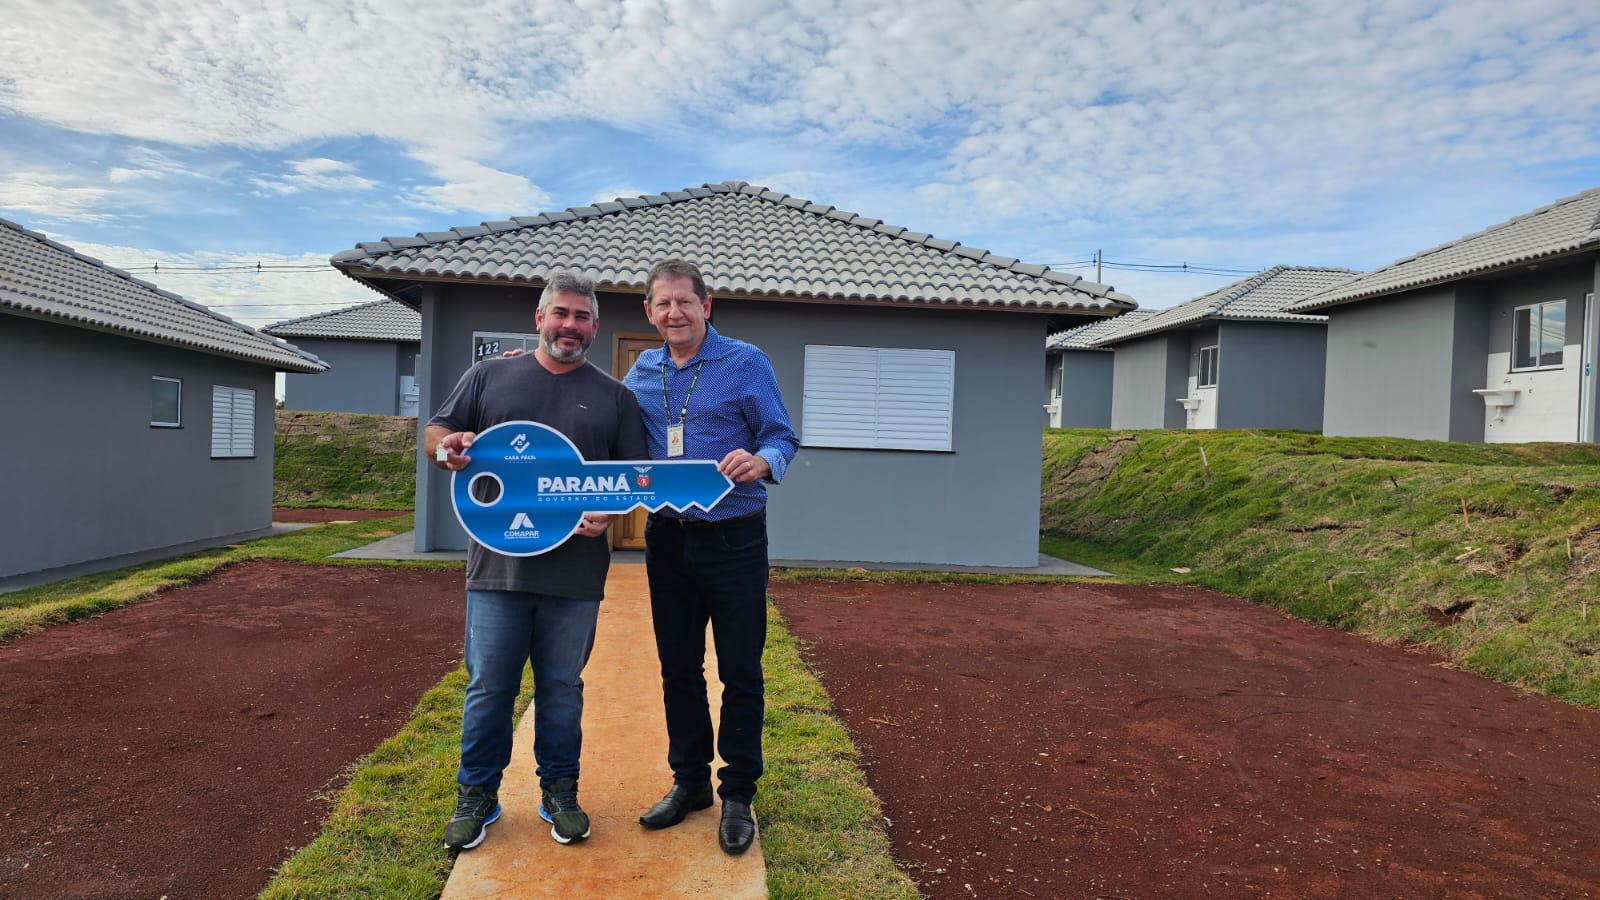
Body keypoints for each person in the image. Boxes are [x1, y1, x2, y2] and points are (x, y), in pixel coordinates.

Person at [425, 272, 647, 851]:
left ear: (594, 326)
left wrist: (611, 510)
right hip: (497, 569)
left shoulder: (615, 397)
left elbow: (632, 478)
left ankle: (559, 791)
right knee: (489, 688)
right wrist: (447, 448)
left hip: (575, 574)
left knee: (562, 688)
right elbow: (437, 432)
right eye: (561, 313)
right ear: (539, 318)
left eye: (581, 317)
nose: (570, 325)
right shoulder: (489, 376)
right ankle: (477, 795)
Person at [623, 258, 799, 856]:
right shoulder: (642, 371)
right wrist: (523, 370)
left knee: (741, 669)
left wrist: (762, 461)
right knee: (678, 667)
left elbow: (781, 435)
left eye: (685, 302)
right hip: (667, 539)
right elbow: (602, 423)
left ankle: (739, 793)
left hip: (734, 538)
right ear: (649, 312)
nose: (674, 313)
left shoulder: (746, 362)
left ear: (706, 305)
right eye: (663, 303)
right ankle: (691, 782)